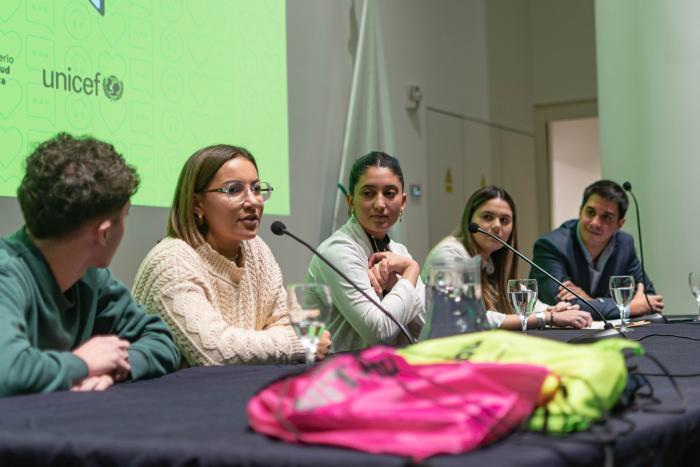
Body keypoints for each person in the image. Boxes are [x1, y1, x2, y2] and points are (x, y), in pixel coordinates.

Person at [0, 133, 180, 397]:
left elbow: (161, 339)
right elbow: (7, 371)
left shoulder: (92, 277)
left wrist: (115, 367)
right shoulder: (7, 273)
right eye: (125, 215)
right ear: (104, 233)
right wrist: (82, 364)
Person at [132, 145, 330, 366]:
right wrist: (301, 343)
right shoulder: (172, 263)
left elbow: (285, 323)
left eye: (256, 188)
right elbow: (215, 351)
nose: (253, 201)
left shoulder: (256, 250)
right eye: (234, 190)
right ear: (198, 204)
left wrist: (266, 342)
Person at [424, 185, 592, 330]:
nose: (497, 226)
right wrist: (547, 317)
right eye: (487, 217)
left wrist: (553, 310)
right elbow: (466, 318)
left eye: (504, 220)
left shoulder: (490, 262)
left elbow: (520, 301)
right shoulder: (449, 254)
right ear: (470, 220)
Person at [307, 151, 425, 352]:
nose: (380, 204)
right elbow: (379, 332)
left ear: (403, 202)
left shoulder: (398, 250)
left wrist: (397, 282)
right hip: (340, 374)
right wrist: (411, 269)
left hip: (391, 369)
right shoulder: (337, 251)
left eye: (389, 193)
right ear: (351, 201)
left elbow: (426, 324)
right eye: (369, 193)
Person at [531, 179, 663, 319]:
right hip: (556, 336)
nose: (595, 222)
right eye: (590, 212)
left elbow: (650, 299)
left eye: (606, 217)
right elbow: (562, 307)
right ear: (580, 210)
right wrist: (630, 307)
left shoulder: (625, 244)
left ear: (620, 224)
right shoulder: (550, 246)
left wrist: (590, 301)